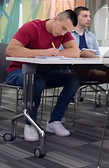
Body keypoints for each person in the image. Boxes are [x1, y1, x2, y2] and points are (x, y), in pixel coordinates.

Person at [5, 10, 81, 141]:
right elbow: (10, 50)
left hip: (43, 72)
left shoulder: (63, 33)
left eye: (66, 31)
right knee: (37, 81)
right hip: (19, 71)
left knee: (72, 80)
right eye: (63, 28)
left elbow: (75, 52)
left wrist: (55, 53)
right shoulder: (32, 27)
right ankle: (30, 124)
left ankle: (54, 121)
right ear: (56, 18)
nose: (63, 33)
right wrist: (43, 52)